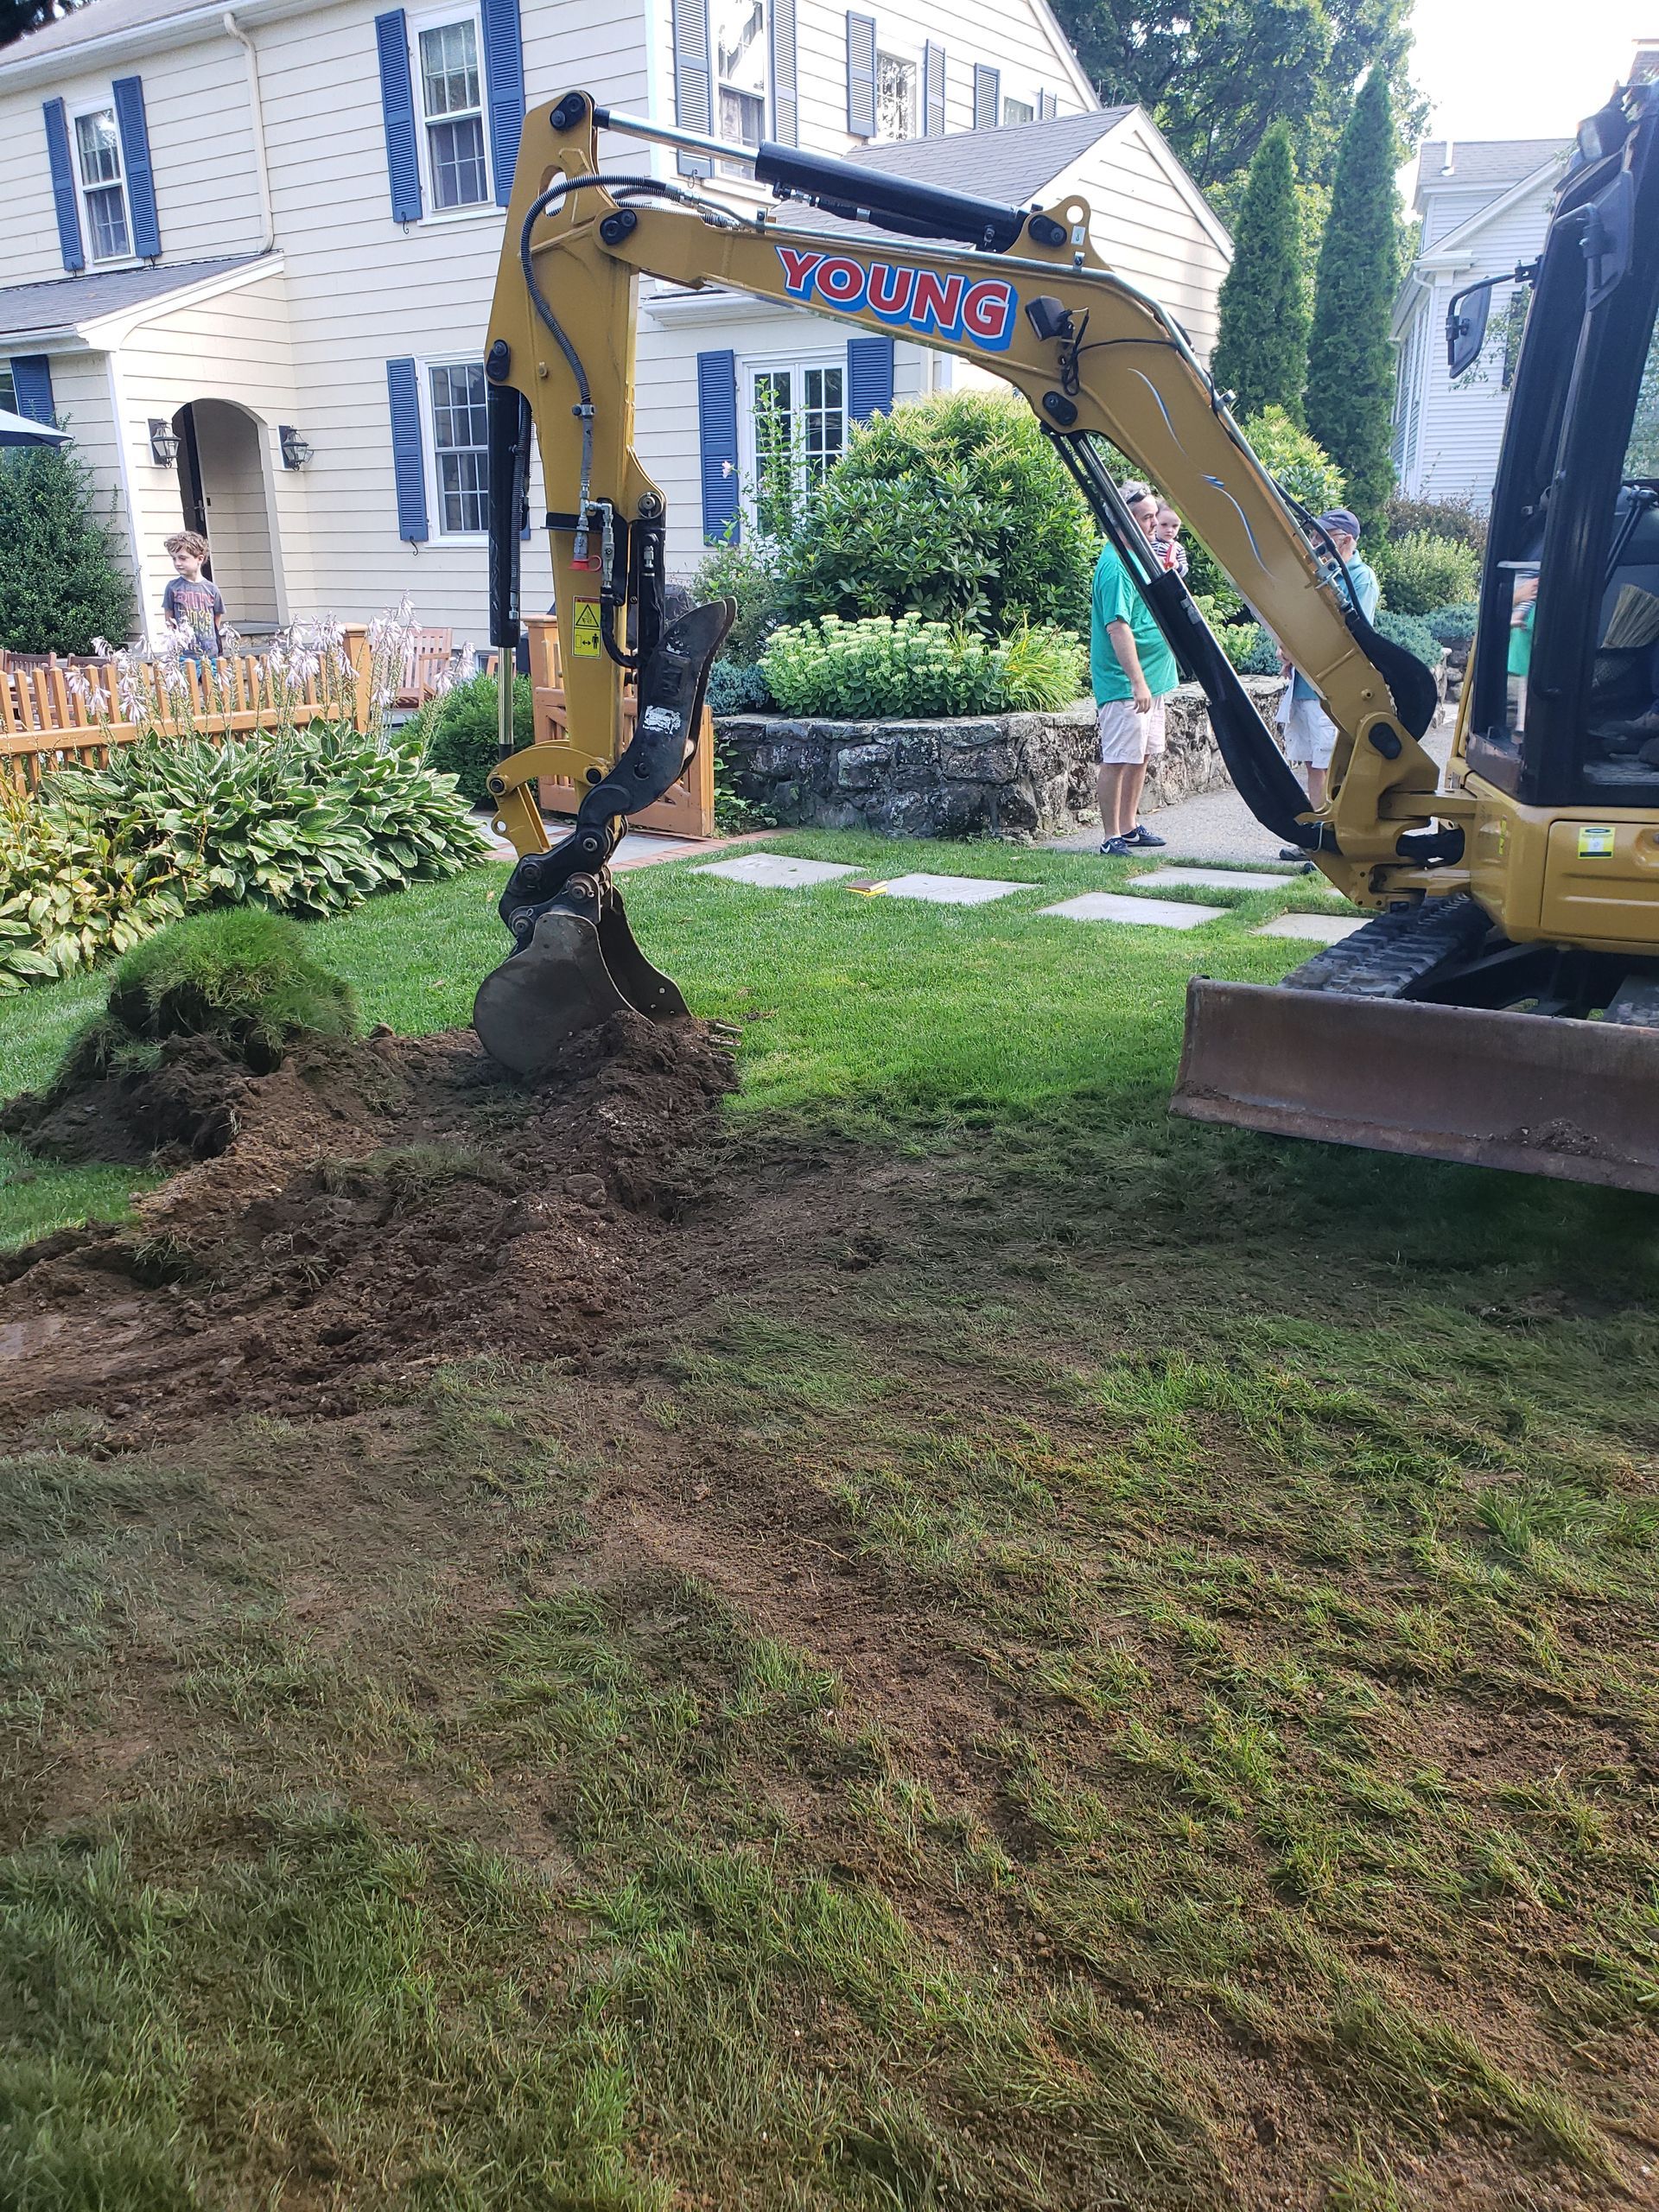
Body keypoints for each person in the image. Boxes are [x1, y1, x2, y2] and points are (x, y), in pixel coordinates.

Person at [1275, 505, 1379, 859]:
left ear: (1345, 540)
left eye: (1323, 537)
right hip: (1305, 685)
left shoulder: (1359, 576)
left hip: (1329, 686)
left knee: (1328, 762)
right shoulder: (1325, 573)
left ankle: (1330, 838)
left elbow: (1351, 629)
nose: (1316, 542)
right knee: (1311, 762)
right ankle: (1315, 837)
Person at [1092, 483, 1179, 855]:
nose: (1152, 524)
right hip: (1127, 683)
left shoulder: (1138, 556)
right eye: (1145, 518)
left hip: (1153, 679)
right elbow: (1118, 626)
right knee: (1119, 757)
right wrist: (1137, 682)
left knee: (1142, 754)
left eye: (1153, 517)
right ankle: (1111, 836)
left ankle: (1129, 827)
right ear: (1123, 519)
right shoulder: (1114, 566)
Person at [162, 531, 226, 662]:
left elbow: (217, 617)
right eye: (174, 558)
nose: (177, 563)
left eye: (182, 558)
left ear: (200, 559)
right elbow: (169, 619)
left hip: (210, 655)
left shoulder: (211, 589)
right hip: (184, 656)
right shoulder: (173, 587)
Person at [1154, 503, 1188, 578]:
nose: (1169, 530)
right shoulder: (1148, 540)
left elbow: (1184, 571)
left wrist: (1176, 565)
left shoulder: (1178, 548)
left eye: (1175, 526)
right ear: (1155, 522)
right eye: (1164, 524)